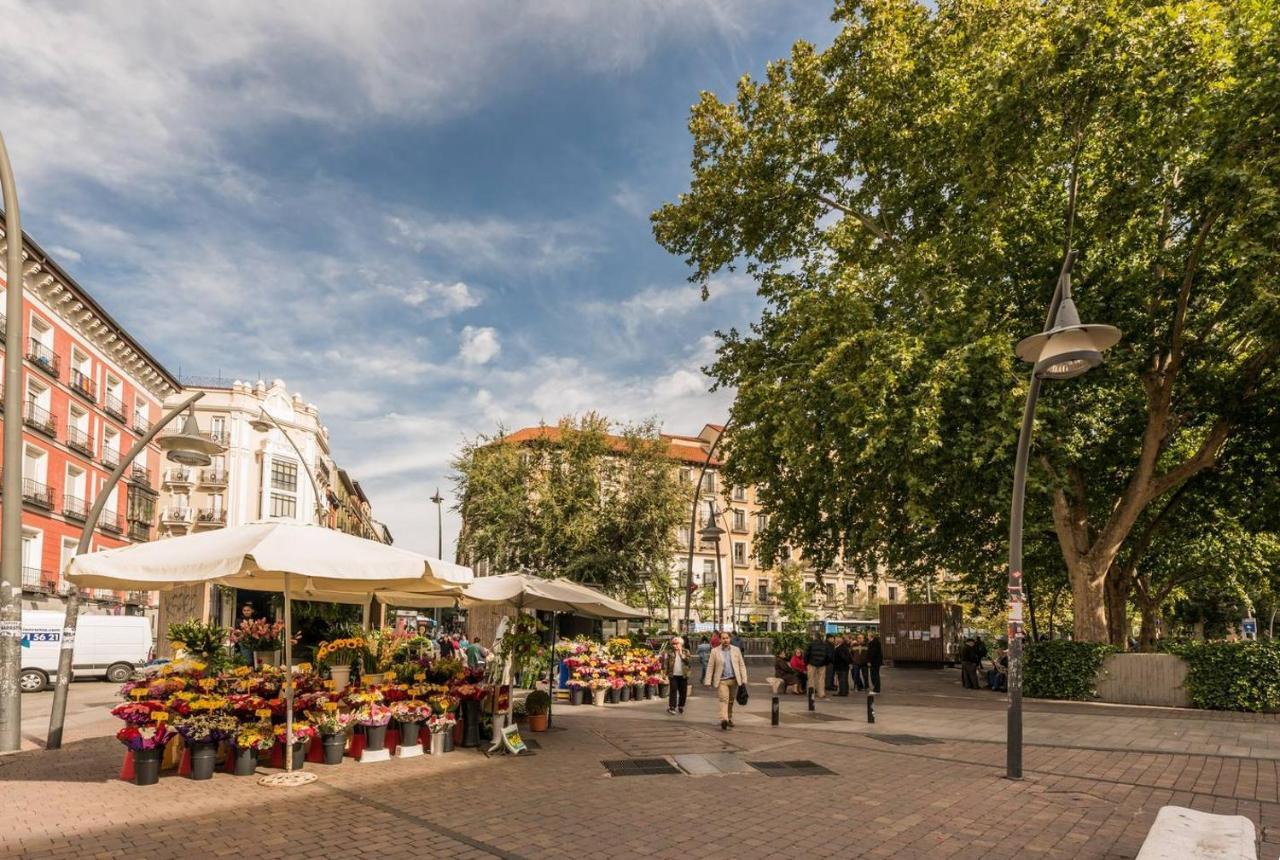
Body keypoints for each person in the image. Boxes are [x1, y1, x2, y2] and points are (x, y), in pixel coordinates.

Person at [703, 634, 749, 730]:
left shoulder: (736, 650)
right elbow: (710, 666)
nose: (725, 640)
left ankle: (729, 717)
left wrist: (744, 679)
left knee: (731, 701)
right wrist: (708, 681)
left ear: (730, 639)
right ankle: (724, 719)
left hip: (734, 680)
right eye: (723, 638)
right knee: (724, 700)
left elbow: (741, 665)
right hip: (722, 681)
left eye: (727, 638)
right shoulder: (715, 651)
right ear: (720, 640)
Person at [663, 636, 692, 714]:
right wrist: (664, 674)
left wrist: (681, 654)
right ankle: (672, 707)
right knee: (673, 691)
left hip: (683, 675)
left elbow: (689, 662)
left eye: (676, 643)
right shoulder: (669, 652)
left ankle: (681, 705)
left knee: (683, 692)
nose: (675, 645)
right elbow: (665, 664)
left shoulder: (686, 651)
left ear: (681, 644)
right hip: (673, 675)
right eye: (673, 644)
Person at [804, 632, 830, 699]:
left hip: (812, 663)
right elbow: (828, 655)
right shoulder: (825, 644)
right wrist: (825, 663)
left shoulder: (811, 644)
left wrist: (806, 662)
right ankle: (821, 693)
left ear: (815, 637)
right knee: (821, 679)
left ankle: (811, 693)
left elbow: (806, 654)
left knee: (811, 679)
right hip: (822, 664)